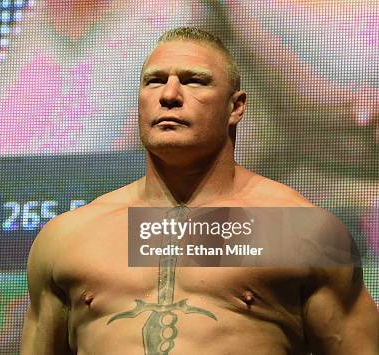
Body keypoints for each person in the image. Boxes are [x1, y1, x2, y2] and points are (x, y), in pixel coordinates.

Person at [21, 27, 379, 354]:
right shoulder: (69, 237)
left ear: (235, 107)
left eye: (194, 81)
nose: (170, 95)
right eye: (154, 81)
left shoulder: (299, 230)